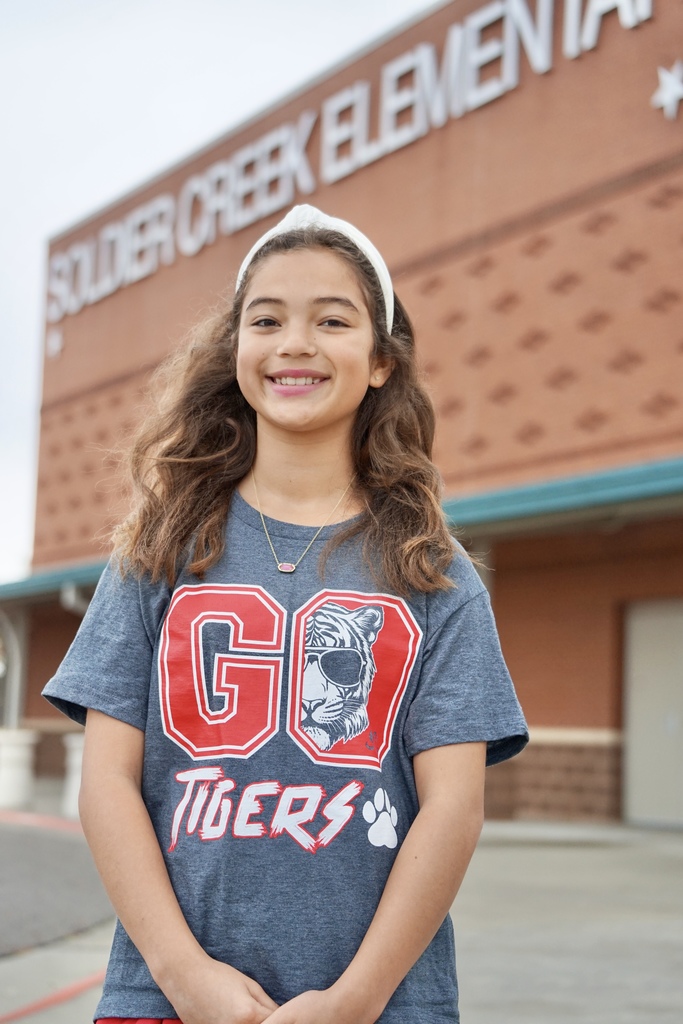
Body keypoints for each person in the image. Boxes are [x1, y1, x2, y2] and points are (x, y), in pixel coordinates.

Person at [43, 204, 528, 1024]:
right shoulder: (160, 552)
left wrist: (355, 999)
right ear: (236, 351)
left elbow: (452, 808)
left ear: (379, 361)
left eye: (330, 320)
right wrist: (183, 975)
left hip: (382, 1002)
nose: (294, 342)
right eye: (266, 319)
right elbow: (107, 783)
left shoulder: (431, 572)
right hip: (165, 995)